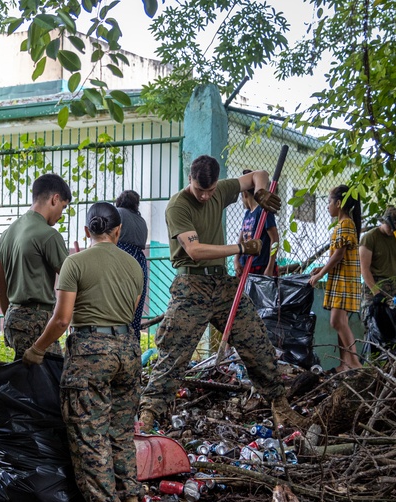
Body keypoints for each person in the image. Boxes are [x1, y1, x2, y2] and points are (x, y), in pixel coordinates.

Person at [138, 155, 304, 430]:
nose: (205, 196)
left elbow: (258, 172)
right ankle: (148, 417)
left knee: (257, 342)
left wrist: (260, 191)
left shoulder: (221, 190)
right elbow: (195, 250)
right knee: (173, 356)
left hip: (221, 285)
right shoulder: (178, 205)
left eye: (210, 190)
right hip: (191, 287)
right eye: (199, 190)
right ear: (189, 179)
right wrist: (240, 249)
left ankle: (280, 406)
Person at [23, 203, 144, 502]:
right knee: (120, 433)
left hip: (91, 353)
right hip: (128, 351)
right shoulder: (134, 264)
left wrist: (37, 349)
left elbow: (61, 319)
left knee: (90, 436)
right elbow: (132, 309)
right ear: (118, 231)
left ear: (87, 231)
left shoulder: (75, 263)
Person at [0, 174, 71, 360]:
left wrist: (12, 318)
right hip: (37, 319)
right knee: (48, 380)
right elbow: (72, 279)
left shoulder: (7, 233)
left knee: (25, 379)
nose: (61, 215)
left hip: (13, 316)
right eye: (63, 207)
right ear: (55, 199)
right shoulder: (48, 235)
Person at [308, 186, 361, 371]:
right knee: (341, 322)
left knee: (336, 322)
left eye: (329, 202)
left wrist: (321, 275)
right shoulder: (343, 224)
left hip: (344, 280)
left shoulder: (346, 224)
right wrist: (321, 268)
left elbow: (338, 255)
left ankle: (354, 364)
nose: (327, 206)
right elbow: (339, 256)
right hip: (341, 278)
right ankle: (344, 364)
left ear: (339, 203)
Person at [359, 207, 396, 352]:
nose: (393, 229)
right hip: (374, 287)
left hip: (394, 288)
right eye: (390, 225)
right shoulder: (370, 237)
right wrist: (376, 293)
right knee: (374, 326)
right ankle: (372, 365)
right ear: (383, 222)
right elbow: (365, 269)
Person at [114, 190, 149, 336]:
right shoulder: (141, 220)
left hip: (120, 256)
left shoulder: (117, 213)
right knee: (136, 304)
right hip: (139, 260)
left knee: (116, 302)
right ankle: (132, 341)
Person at [233, 169, 280, 277]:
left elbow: (275, 239)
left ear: (244, 194)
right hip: (246, 265)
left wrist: (270, 267)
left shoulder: (263, 211)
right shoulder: (247, 214)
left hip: (261, 265)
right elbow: (242, 237)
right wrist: (236, 259)